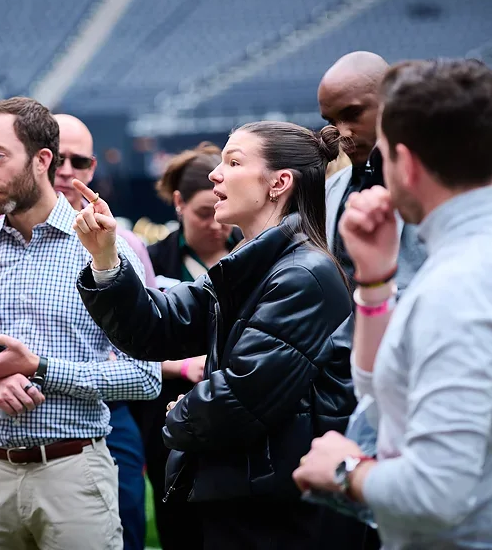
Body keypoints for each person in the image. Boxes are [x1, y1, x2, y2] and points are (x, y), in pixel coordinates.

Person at [294, 59, 492, 548]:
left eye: (382, 152)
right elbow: (379, 384)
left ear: (404, 165)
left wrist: (343, 471)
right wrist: (377, 280)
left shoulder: (460, 285)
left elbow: (436, 492)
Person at [73, 121, 363, 549]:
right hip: (251, 501)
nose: (215, 173)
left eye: (234, 162)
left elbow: (241, 397)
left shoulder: (303, 275)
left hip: (281, 517)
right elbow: (157, 327)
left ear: (279, 183)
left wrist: (176, 416)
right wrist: (105, 259)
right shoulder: (254, 269)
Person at [0, 97, 160, 550]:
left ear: (42, 160)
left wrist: (42, 369)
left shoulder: (104, 249)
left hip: (73, 472)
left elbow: (145, 377)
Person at [319, 51, 492, 291]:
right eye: (330, 121)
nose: (341, 132)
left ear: (391, 102)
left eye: (353, 114)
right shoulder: (334, 189)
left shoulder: (466, 176)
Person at [52, 112, 157, 550]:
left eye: (79, 162)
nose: (66, 171)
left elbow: (151, 337)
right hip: (28, 423)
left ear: (92, 169)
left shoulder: (127, 245)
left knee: (125, 528)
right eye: (57, 158)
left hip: (111, 415)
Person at [138, 142, 242, 550]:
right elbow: (132, 339)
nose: (216, 223)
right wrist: (177, 367)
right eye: (203, 212)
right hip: (168, 414)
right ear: (178, 203)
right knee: (177, 522)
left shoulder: (252, 254)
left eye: (220, 207)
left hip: (236, 406)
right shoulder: (152, 260)